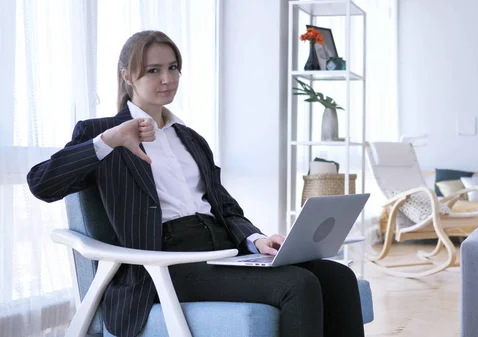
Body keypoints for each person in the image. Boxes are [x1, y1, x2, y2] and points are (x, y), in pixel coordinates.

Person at [27, 30, 364, 337]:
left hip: (221, 251)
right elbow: (42, 184)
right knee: (298, 284)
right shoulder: (100, 133)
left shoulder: (190, 138)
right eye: (153, 70)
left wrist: (256, 239)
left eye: (173, 68)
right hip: (166, 262)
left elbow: (224, 207)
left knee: (338, 277)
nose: (167, 79)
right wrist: (109, 140)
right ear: (127, 76)